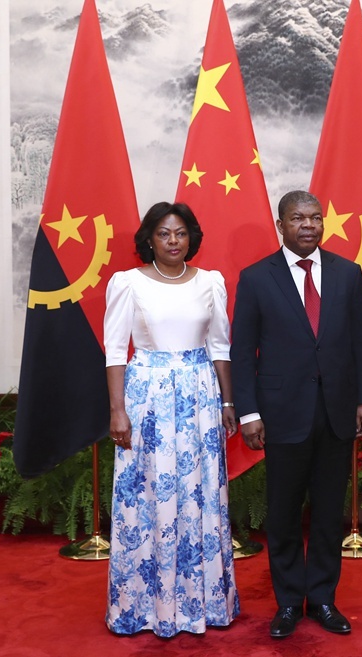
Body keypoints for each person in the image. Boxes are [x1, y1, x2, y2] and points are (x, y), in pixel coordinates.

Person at [230, 190, 362, 639]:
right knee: (283, 513)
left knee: (329, 512)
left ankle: (323, 599)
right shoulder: (257, 278)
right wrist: (249, 413)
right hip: (281, 414)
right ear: (281, 225)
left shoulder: (347, 273)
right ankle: (287, 603)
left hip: (337, 412)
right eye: (298, 218)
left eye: (315, 218)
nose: (308, 225)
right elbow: (243, 352)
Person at [104, 202, 239, 637]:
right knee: (148, 496)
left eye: (180, 233)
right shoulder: (128, 283)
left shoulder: (211, 282)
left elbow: (220, 346)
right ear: (149, 239)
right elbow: (114, 351)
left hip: (200, 399)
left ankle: (204, 604)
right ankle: (145, 609)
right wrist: (117, 410)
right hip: (148, 400)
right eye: (164, 233)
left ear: (191, 237)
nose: (173, 240)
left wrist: (228, 402)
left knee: (201, 493)